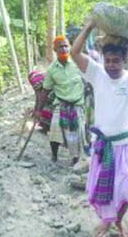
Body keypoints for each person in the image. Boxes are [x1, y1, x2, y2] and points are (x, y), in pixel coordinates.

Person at [71, 17, 128, 236]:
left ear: (125, 61)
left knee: (123, 189)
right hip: (102, 145)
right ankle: (107, 220)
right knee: (104, 186)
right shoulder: (97, 74)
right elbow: (74, 53)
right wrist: (90, 27)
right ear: (103, 59)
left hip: (126, 145)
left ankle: (118, 220)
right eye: (108, 60)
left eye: (116, 61)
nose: (111, 65)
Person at [41, 35, 87, 164]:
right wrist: (38, 109)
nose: (64, 49)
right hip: (60, 105)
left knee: (76, 136)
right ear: (55, 49)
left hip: (77, 105)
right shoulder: (51, 70)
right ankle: (54, 156)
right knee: (55, 133)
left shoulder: (78, 64)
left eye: (66, 46)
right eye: (60, 46)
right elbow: (46, 90)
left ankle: (75, 159)